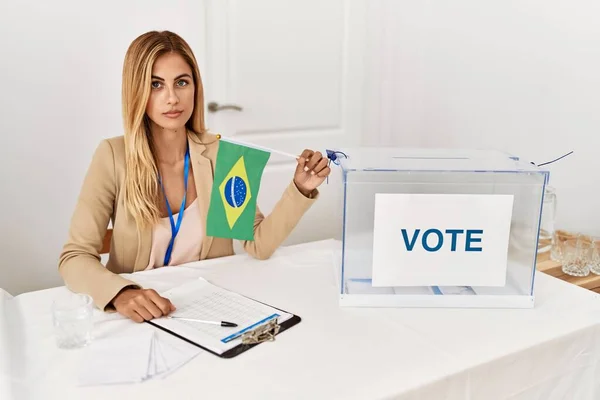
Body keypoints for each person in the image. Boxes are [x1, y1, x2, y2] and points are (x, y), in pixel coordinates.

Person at [58, 31, 330, 323]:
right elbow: (74, 257)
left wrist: (300, 188)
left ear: (195, 88)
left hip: (208, 309)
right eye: (156, 85)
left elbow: (259, 245)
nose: (172, 98)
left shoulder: (221, 155)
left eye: (182, 83)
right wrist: (122, 293)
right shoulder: (113, 155)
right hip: (140, 315)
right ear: (137, 91)